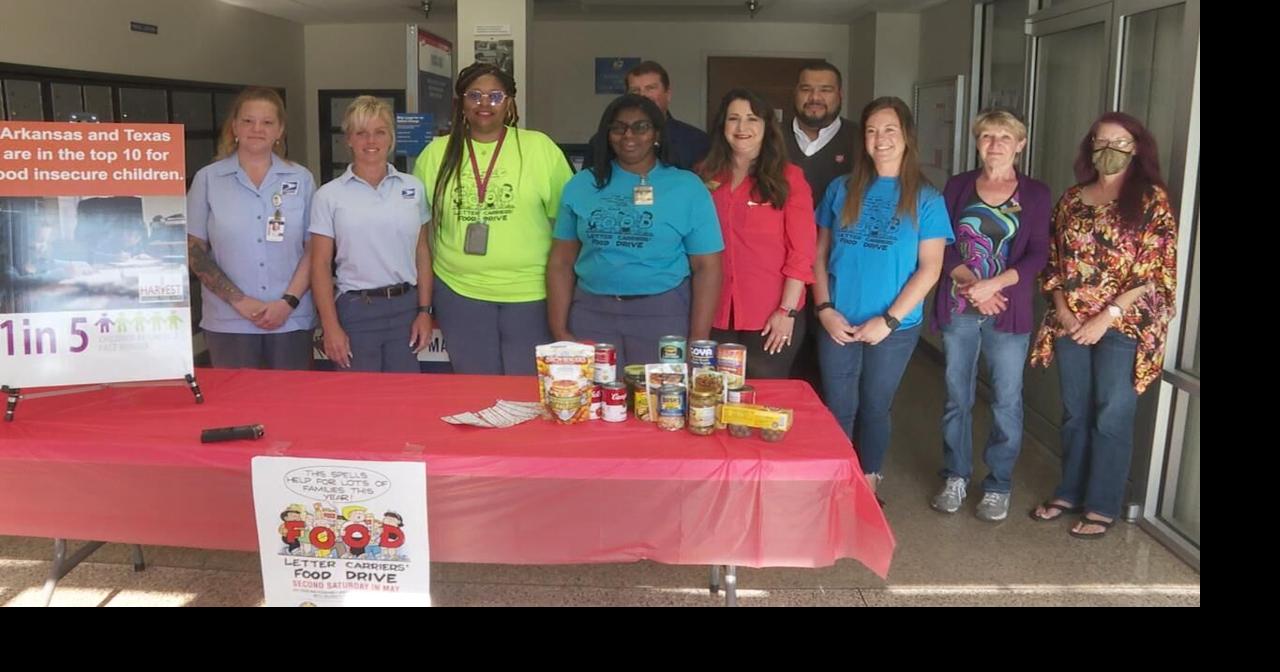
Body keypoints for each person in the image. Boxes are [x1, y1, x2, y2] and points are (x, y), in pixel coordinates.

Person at [1028, 112, 1178, 539]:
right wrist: (1062, 309)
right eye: (1100, 140)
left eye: (1119, 141)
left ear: (1137, 148)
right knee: (1076, 412)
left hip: (1123, 326)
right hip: (1071, 322)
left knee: (1111, 414)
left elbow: (1153, 270)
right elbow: (1053, 260)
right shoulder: (1073, 198)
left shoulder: (1151, 200)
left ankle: (1102, 504)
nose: (1108, 149)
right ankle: (1070, 490)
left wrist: (1105, 316)